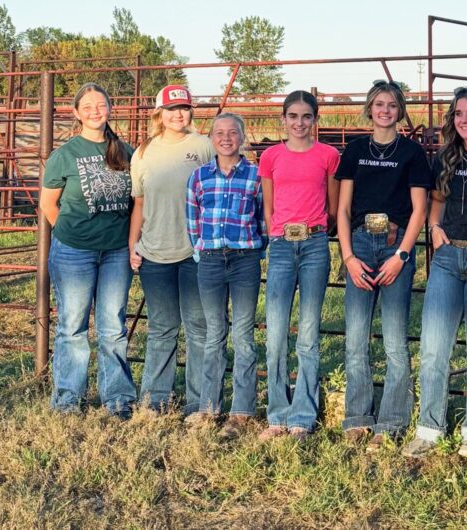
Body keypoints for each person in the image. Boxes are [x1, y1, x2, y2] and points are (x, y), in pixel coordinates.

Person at [402, 87, 467, 460]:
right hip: (448, 259)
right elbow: (437, 200)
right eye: (459, 113)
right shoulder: (445, 157)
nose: (464, 119)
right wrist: (434, 228)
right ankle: (429, 428)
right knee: (434, 348)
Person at [336, 80, 432, 451]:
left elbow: (420, 209)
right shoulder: (355, 150)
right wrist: (347, 257)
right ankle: (358, 417)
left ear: (400, 110)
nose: (385, 110)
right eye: (378, 104)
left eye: (392, 105)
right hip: (359, 243)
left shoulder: (411, 153)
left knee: (394, 338)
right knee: (356, 337)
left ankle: (391, 421)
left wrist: (402, 256)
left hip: (396, 245)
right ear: (369, 109)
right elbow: (343, 209)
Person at [40, 82, 137, 417]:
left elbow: (137, 200)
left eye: (101, 105)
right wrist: (74, 235)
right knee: (73, 324)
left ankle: (118, 397)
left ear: (110, 108)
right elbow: (49, 205)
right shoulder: (64, 155)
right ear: (77, 113)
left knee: (113, 325)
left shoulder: (126, 151)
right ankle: (68, 397)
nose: (96, 111)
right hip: (74, 251)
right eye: (88, 107)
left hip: (116, 252)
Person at [257, 90, 340, 441]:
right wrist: (276, 232)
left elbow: (334, 204)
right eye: (293, 116)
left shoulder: (329, 155)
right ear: (283, 120)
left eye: (307, 116)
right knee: (275, 333)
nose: (300, 122)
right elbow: (269, 203)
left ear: (315, 120)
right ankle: (277, 412)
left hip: (315, 243)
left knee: (307, 334)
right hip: (280, 244)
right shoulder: (271, 156)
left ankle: (303, 415)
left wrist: (320, 228)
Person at [129, 85, 214, 416]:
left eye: (184, 108)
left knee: (198, 328)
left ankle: (199, 404)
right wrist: (132, 245)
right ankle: (154, 400)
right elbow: (139, 202)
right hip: (155, 252)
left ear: (191, 112)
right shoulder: (144, 153)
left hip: (195, 253)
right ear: (159, 114)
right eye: (171, 109)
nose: (178, 114)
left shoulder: (204, 146)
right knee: (162, 327)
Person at [185, 113, 265, 425]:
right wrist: (201, 248)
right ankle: (208, 406)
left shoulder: (256, 176)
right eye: (220, 132)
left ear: (242, 137)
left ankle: (242, 411)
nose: (227, 138)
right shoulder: (199, 176)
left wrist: (256, 248)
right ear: (211, 138)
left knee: (243, 333)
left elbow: (263, 218)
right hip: (210, 259)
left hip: (244, 259)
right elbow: (193, 220)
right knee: (214, 331)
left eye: (233, 132)